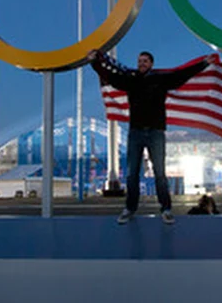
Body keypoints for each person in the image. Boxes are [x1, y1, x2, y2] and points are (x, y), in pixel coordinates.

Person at [88, 49, 213, 226]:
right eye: (140, 61)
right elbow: (111, 77)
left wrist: (204, 64)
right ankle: (129, 209)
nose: (142, 63)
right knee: (132, 174)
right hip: (136, 132)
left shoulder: (160, 79)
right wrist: (94, 62)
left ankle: (166, 209)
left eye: (145, 61)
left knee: (160, 174)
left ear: (151, 64)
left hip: (155, 133)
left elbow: (181, 75)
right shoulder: (131, 80)